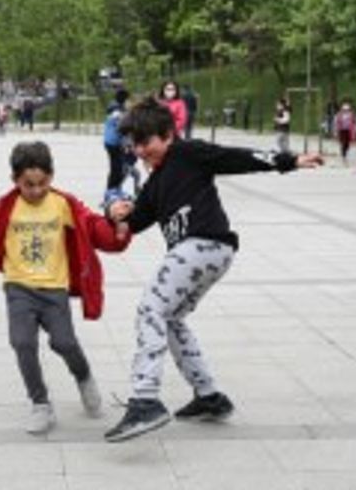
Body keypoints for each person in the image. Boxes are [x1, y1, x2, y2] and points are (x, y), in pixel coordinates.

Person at [103, 98, 323, 443]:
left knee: (150, 309)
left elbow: (234, 157)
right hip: (209, 253)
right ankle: (209, 396)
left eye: (147, 143)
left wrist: (288, 160)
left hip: (202, 244)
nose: (141, 151)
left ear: (168, 134)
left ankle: (145, 400)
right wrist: (114, 213)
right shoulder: (155, 184)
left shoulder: (187, 152)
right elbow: (134, 223)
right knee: (170, 318)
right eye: (135, 145)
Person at [0, 141, 130, 434]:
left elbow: (94, 229)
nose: (36, 191)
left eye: (42, 183)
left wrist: (119, 230)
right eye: (28, 185)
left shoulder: (64, 204)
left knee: (64, 343)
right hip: (19, 288)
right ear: (15, 180)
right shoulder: (7, 206)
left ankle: (84, 375)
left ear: (51, 176)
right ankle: (40, 404)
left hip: (54, 290)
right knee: (22, 343)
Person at [103, 88, 129, 191]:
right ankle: (112, 189)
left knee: (116, 168)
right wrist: (127, 142)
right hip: (114, 143)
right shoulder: (117, 111)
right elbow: (121, 127)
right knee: (117, 168)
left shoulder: (114, 107)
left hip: (110, 141)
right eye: (127, 99)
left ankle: (113, 188)